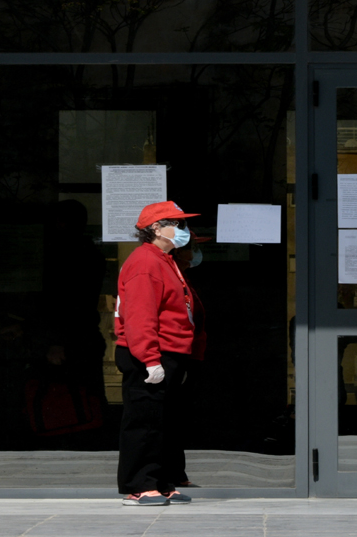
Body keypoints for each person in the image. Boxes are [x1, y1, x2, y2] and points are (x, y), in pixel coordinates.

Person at [115, 201, 201, 506]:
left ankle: (162, 482)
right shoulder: (146, 262)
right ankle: (139, 485)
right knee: (144, 422)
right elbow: (139, 316)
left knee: (162, 422)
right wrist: (150, 359)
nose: (183, 231)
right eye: (177, 225)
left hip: (168, 352)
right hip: (151, 353)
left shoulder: (164, 260)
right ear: (156, 228)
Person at [164, 230, 210, 488]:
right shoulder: (172, 278)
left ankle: (175, 473)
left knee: (176, 417)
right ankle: (171, 474)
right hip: (177, 355)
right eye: (192, 247)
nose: (196, 252)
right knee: (170, 417)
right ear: (179, 252)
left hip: (189, 356)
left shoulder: (184, 279)